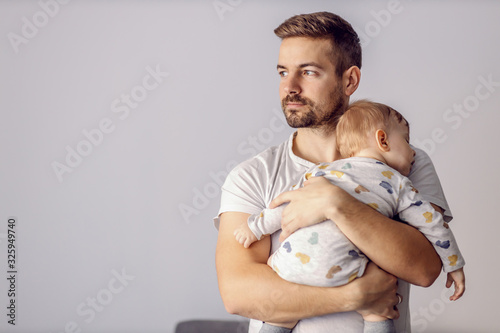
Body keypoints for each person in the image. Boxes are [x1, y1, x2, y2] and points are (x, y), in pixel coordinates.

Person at [215, 11, 451, 332]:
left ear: (349, 80)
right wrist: (357, 296)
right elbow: (239, 294)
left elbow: (425, 269)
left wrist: (334, 203)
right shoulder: (253, 176)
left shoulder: (404, 164)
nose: (290, 87)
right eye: (283, 72)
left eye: (309, 72)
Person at [233, 100, 466, 333]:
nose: (413, 150)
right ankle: (375, 316)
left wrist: (255, 227)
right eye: (406, 140)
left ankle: (279, 323)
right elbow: (433, 225)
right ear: (382, 140)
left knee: (279, 317)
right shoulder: (399, 183)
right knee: (379, 304)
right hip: (347, 270)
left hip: (293, 268)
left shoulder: (321, 171)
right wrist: (454, 264)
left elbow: (284, 205)